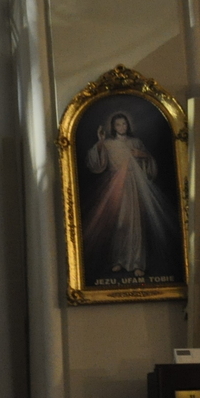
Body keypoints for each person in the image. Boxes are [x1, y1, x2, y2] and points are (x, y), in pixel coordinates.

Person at [82, 111, 178, 278]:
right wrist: (100, 141)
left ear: (128, 125)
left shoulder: (136, 142)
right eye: (118, 124)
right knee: (120, 224)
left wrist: (143, 155)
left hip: (135, 186)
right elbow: (97, 163)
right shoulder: (108, 144)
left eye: (124, 124)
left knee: (136, 224)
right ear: (113, 127)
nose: (122, 127)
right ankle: (119, 260)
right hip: (116, 186)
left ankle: (137, 263)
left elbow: (150, 164)